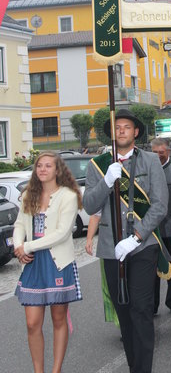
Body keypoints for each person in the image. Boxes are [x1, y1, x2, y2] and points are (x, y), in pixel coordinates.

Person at [83, 109, 169, 373]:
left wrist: (137, 236)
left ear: (136, 132)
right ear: (112, 133)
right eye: (117, 127)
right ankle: (135, 366)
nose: (121, 130)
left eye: (126, 126)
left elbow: (160, 205)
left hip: (142, 246)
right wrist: (107, 181)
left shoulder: (151, 161)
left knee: (141, 309)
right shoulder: (98, 165)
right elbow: (89, 206)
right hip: (111, 248)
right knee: (123, 309)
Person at [13, 151, 83, 373]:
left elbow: (62, 233)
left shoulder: (69, 196)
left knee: (58, 318)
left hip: (57, 262)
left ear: (57, 170)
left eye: (47, 166)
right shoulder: (27, 195)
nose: (42, 169)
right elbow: (20, 224)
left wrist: (28, 246)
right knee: (32, 323)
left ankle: (56, 370)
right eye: (39, 166)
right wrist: (18, 247)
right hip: (32, 263)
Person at [151, 138, 171, 316]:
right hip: (152, 230)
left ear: (168, 151)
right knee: (152, 271)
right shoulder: (147, 170)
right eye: (154, 153)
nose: (158, 156)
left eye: (161, 152)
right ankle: (152, 305)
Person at [86, 213, 120, 328]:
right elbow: (96, 215)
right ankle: (121, 322)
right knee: (113, 286)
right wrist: (89, 239)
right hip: (110, 246)